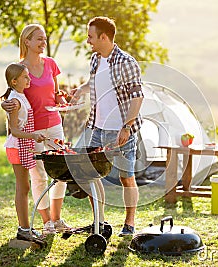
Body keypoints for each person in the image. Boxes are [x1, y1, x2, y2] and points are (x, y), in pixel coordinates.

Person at [71, 16, 144, 236]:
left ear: (104, 37)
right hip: (97, 128)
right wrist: (80, 91)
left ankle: (129, 223)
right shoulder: (95, 59)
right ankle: (99, 222)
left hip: (122, 129)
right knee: (90, 175)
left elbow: (137, 97)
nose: (88, 41)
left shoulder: (126, 62)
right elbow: (93, 83)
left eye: (91, 36)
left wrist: (127, 127)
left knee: (126, 177)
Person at [1, 24, 71, 234]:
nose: (43, 43)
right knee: (39, 176)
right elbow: (12, 96)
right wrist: (4, 105)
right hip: (33, 132)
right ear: (27, 42)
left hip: (55, 125)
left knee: (61, 172)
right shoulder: (19, 69)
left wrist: (61, 99)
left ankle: (57, 219)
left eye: (45, 39)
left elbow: (56, 92)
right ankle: (46, 220)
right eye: (39, 39)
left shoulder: (51, 64)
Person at [0, 63, 46, 242]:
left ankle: (26, 227)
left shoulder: (19, 96)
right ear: (14, 81)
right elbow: (15, 131)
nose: (29, 79)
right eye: (26, 77)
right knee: (23, 187)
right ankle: (23, 229)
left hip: (23, 145)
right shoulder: (15, 101)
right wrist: (34, 135)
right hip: (17, 146)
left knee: (24, 186)